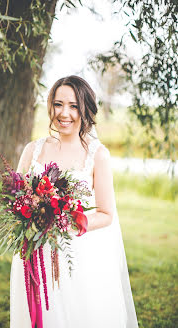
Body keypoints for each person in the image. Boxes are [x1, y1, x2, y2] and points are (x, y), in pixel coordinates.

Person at [10, 75, 139, 328]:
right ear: (50, 106)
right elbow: (15, 199)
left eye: (73, 106)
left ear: (85, 109)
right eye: (58, 104)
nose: (64, 113)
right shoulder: (32, 150)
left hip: (78, 257)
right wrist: (28, 213)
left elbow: (105, 213)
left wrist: (64, 222)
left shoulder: (97, 154)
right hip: (35, 254)